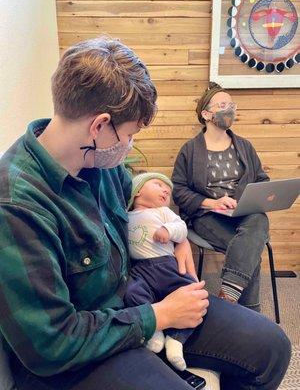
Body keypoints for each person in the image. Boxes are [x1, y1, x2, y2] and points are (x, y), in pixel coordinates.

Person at [0, 37, 291, 390]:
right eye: (130, 134)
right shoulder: (17, 206)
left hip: (135, 299)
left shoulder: (98, 162)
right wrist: (158, 315)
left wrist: (177, 234)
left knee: (272, 347)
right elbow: (51, 344)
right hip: (75, 352)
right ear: (99, 126)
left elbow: (142, 207)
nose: (130, 145)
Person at [172, 82, 269, 310]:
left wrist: (255, 199)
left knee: (258, 222)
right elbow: (179, 190)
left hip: (243, 213)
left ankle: (229, 298)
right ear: (206, 114)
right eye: (223, 105)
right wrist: (213, 202)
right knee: (249, 251)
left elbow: (261, 179)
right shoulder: (190, 150)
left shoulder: (244, 146)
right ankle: (249, 312)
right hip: (207, 215)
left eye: (231, 105)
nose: (230, 110)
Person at [125, 172, 199, 371]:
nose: (166, 190)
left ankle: (176, 340)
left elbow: (181, 228)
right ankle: (154, 330)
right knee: (132, 292)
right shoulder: (125, 216)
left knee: (196, 297)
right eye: (158, 184)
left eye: (168, 190)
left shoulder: (164, 213)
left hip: (166, 265)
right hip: (139, 269)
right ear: (138, 191)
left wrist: (168, 230)